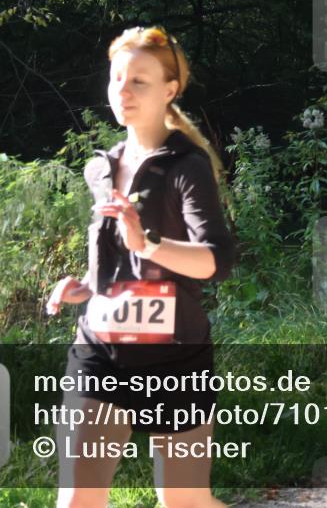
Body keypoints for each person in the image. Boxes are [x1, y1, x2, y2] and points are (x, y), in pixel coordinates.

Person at [46, 26, 236, 508]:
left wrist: (148, 243)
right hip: (100, 354)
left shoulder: (185, 166)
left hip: (176, 361)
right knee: (77, 502)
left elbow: (215, 261)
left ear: (170, 90)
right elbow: (115, 265)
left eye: (139, 82)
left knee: (184, 502)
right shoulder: (100, 168)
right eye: (116, 79)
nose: (123, 92)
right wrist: (84, 286)